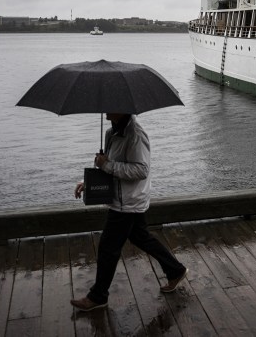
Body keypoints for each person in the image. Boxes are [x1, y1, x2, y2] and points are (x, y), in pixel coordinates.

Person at [70, 113, 187, 311]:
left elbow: (141, 170)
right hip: (122, 198)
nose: (105, 109)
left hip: (128, 202)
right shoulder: (111, 133)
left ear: (121, 108)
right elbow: (107, 167)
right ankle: (175, 270)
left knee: (108, 247)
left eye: (110, 105)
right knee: (141, 237)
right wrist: (89, 182)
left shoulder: (136, 136)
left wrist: (106, 164)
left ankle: (98, 296)